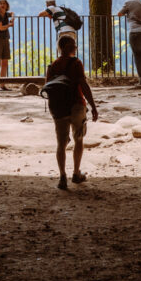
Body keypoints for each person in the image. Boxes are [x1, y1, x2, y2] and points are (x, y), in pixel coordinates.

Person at [45, 34, 98, 190]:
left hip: (59, 108)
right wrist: (93, 106)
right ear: (68, 47)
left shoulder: (53, 66)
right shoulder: (76, 63)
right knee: (78, 139)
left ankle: (62, 176)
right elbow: (83, 85)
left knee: (61, 144)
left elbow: (48, 88)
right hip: (76, 105)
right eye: (73, 45)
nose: (75, 47)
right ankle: (76, 173)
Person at [0, 0, 15, 90]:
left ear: (6, 5)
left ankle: (2, 84)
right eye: (0, 3)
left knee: (5, 63)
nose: (2, 5)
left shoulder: (6, 14)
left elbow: (12, 13)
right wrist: (10, 25)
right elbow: (1, 28)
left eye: (4, 3)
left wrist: (12, 19)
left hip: (6, 39)